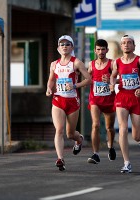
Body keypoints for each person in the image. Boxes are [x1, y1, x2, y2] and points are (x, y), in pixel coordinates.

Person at [110, 35, 140, 173]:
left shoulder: (139, 60)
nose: (126, 45)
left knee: (135, 135)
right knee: (122, 128)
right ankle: (126, 162)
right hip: (122, 97)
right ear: (121, 46)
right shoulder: (117, 62)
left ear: (134, 46)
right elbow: (114, 76)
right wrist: (112, 85)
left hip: (137, 98)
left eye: (129, 43)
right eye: (124, 43)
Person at [46, 35, 92, 171]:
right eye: (62, 44)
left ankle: (79, 140)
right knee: (59, 130)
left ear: (71, 47)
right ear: (58, 48)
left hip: (72, 101)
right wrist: (49, 88)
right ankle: (60, 159)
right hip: (58, 100)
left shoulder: (76, 63)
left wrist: (75, 86)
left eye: (67, 44)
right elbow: (51, 80)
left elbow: (89, 79)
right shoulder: (54, 64)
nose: (64, 46)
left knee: (70, 134)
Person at [87, 39, 117, 164]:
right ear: (95, 50)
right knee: (96, 125)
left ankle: (110, 147)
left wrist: (110, 80)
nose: (100, 52)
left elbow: (118, 78)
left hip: (109, 100)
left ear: (107, 50)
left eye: (103, 49)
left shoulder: (112, 63)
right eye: (98, 49)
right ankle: (95, 154)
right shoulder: (91, 64)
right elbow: (86, 77)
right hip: (95, 99)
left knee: (109, 127)